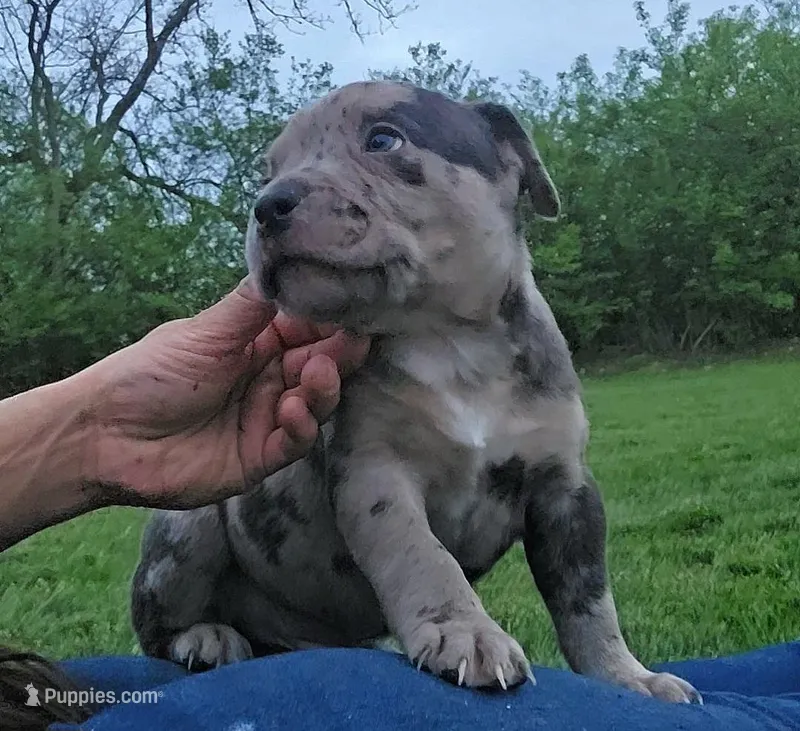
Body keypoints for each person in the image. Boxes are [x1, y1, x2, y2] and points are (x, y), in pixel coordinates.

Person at [0, 278, 798, 731]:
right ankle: (180, 628)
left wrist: (96, 425)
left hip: (42, 691)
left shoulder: (500, 340)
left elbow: (560, 499)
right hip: (152, 668)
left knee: (675, 688)